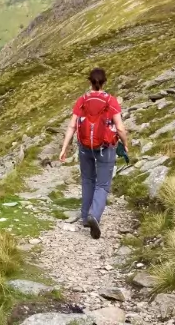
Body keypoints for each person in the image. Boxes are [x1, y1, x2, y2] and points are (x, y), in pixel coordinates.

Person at [57, 67, 130, 239]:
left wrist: (64, 148)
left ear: (89, 81)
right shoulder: (110, 101)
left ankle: (84, 216)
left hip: (84, 147)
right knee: (103, 184)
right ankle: (94, 215)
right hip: (105, 147)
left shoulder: (82, 100)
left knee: (87, 179)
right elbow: (119, 127)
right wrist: (125, 144)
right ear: (104, 82)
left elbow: (72, 126)